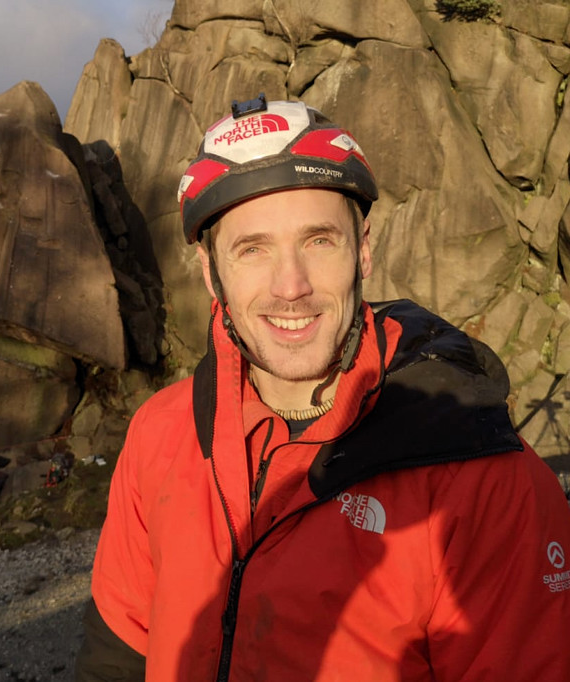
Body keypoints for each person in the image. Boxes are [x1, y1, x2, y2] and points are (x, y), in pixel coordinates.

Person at [75, 95, 570, 681]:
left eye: (319, 240)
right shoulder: (161, 435)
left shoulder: (480, 478)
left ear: (363, 251)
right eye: (252, 249)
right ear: (212, 275)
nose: (291, 286)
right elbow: (119, 656)